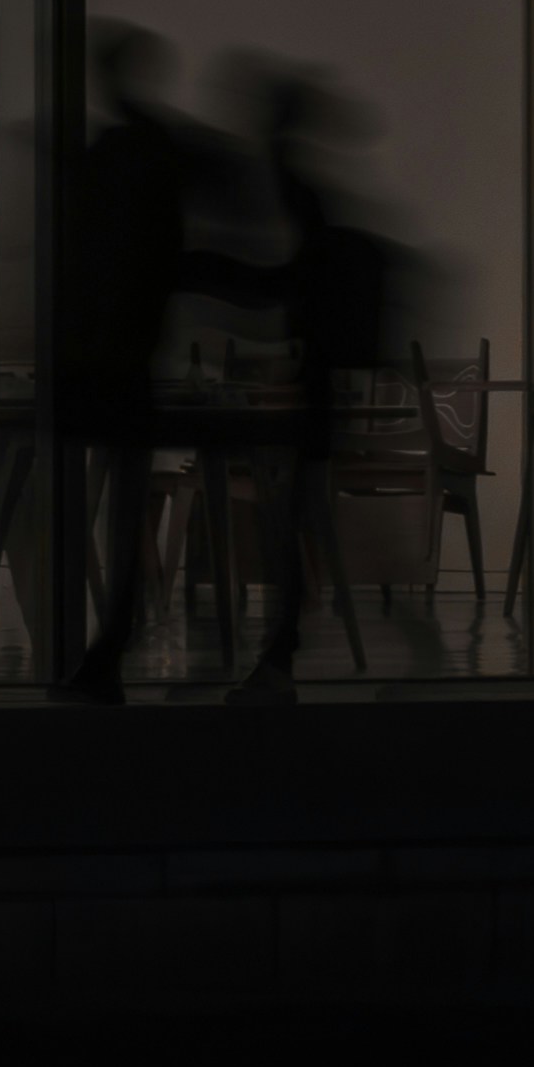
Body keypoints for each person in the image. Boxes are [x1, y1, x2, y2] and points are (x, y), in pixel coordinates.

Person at [206, 63, 406, 704]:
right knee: (294, 515)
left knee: (288, 517)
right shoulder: (296, 185)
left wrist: (204, 277)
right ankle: (281, 652)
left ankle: (279, 653)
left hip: (307, 382)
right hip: (313, 380)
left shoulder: (283, 186)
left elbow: (286, 281)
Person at [50, 22, 208, 702]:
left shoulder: (116, 153)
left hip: (106, 353)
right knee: (123, 506)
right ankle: (112, 636)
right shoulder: (157, 148)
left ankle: (108, 641)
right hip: (130, 351)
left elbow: (90, 259)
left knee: (104, 505)